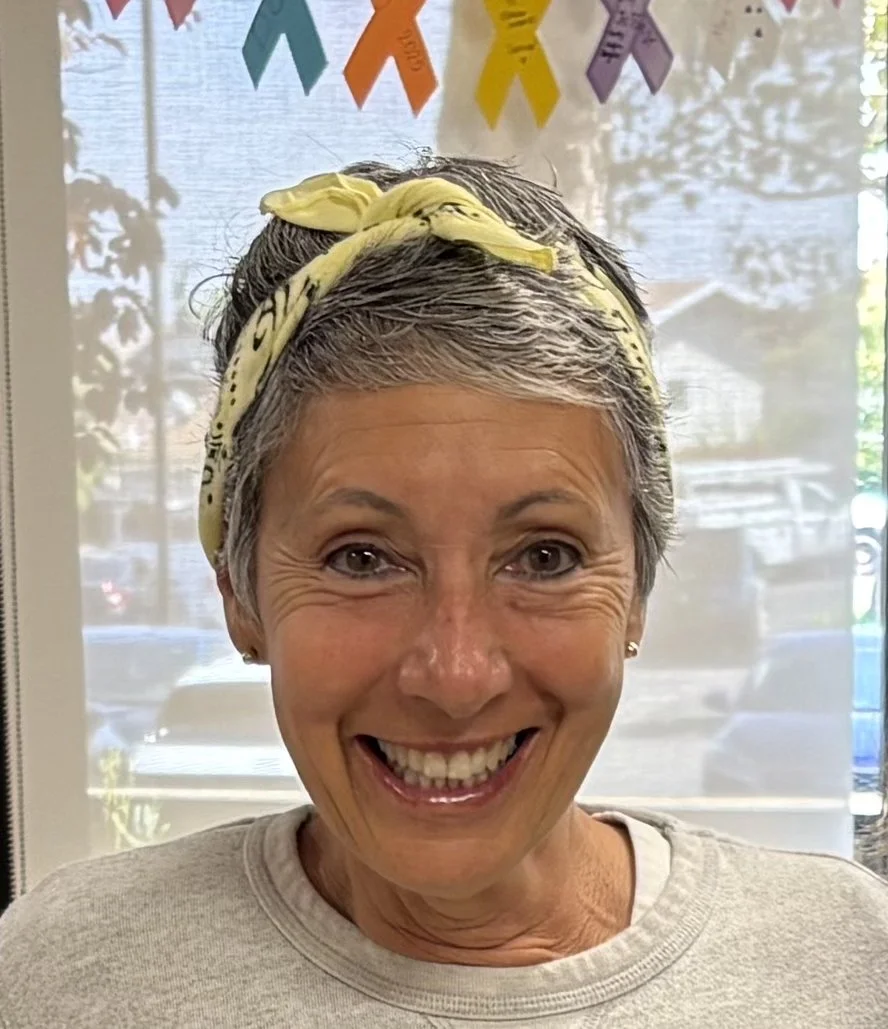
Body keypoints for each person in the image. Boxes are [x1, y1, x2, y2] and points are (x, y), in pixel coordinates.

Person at [1, 154, 886, 1027]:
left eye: (543, 557)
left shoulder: (849, 960)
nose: (457, 674)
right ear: (240, 595)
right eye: (361, 558)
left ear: (638, 592)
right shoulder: (63, 973)